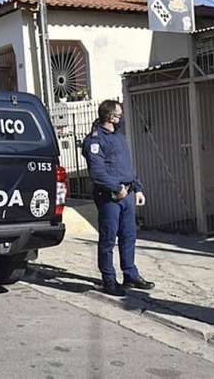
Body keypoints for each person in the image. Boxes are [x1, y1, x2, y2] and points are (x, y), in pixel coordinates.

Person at [82, 100, 155, 296]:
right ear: (110, 116)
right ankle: (109, 280)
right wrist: (116, 188)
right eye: (118, 113)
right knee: (108, 239)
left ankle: (130, 274)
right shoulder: (95, 141)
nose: (121, 117)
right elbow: (97, 173)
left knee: (128, 236)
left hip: (127, 195)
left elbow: (127, 167)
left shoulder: (119, 138)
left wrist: (137, 188)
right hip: (110, 197)